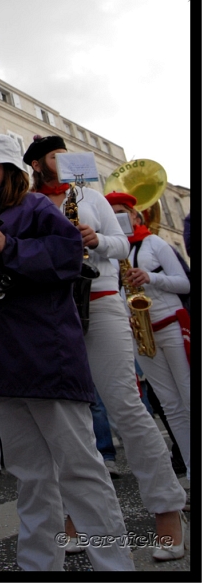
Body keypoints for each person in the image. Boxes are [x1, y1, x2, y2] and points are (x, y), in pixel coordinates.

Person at [0, 134, 134, 571]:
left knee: (79, 468)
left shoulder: (38, 208)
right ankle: (38, 567)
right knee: (31, 475)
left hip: (44, 355)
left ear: (9, 169)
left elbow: (69, 256)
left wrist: (13, 248)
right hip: (4, 363)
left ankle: (114, 567)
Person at [24, 136, 187, 562]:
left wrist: (95, 238)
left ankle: (168, 510)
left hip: (100, 301)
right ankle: (79, 515)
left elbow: (121, 243)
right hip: (56, 313)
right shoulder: (30, 202)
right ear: (38, 164)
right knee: (70, 420)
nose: (63, 160)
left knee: (125, 406)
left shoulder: (90, 196)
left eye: (65, 154)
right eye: (55, 156)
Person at [106, 192, 190, 485]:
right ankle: (193, 472)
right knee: (170, 405)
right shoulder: (113, 253)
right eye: (111, 213)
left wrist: (150, 278)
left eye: (122, 212)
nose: (118, 218)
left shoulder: (154, 243)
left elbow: (184, 282)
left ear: (135, 216)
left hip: (171, 324)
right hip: (141, 332)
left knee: (191, 397)